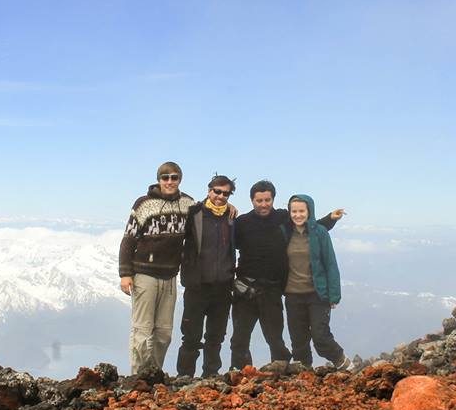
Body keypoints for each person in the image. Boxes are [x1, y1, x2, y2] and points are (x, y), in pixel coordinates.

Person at [230, 180, 343, 370]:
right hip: (245, 287)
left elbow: (308, 227)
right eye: (259, 200)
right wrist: (227, 209)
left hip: (272, 288)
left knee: (275, 336)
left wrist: (329, 219)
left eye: (267, 200)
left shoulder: (283, 217)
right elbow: (225, 243)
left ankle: (281, 370)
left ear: (273, 199)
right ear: (252, 200)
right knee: (240, 337)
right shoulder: (241, 223)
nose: (264, 204)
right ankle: (241, 373)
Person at [118, 161, 195, 374]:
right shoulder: (144, 204)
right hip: (144, 274)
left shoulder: (188, 204)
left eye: (174, 177)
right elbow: (128, 240)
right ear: (159, 179)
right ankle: (138, 378)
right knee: (143, 331)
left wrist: (230, 208)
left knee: (163, 333)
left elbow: (206, 214)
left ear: (180, 179)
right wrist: (125, 274)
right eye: (165, 177)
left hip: (170, 275)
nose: (169, 181)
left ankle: (153, 374)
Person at [175, 175, 237, 378]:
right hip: (197, 287)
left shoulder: (231, 217)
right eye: (216, 191)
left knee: (216, 336)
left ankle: (210, 377)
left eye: (225, 193)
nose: (220, 196)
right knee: (191, 336)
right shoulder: (193, 213)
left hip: (223, 288)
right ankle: (184, 378)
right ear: (209, 190)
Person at [283, 194, 350, 370]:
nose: (297, 215)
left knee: (321, 337)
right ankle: (304, 375)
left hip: (317, 294)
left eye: (301, 211)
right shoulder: (285, 231)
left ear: (309, 211)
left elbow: (330, 263)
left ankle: (344, 364)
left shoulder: (319, 232)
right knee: (298, 340)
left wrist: (334, 295)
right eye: (294, 211)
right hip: (292, 294)